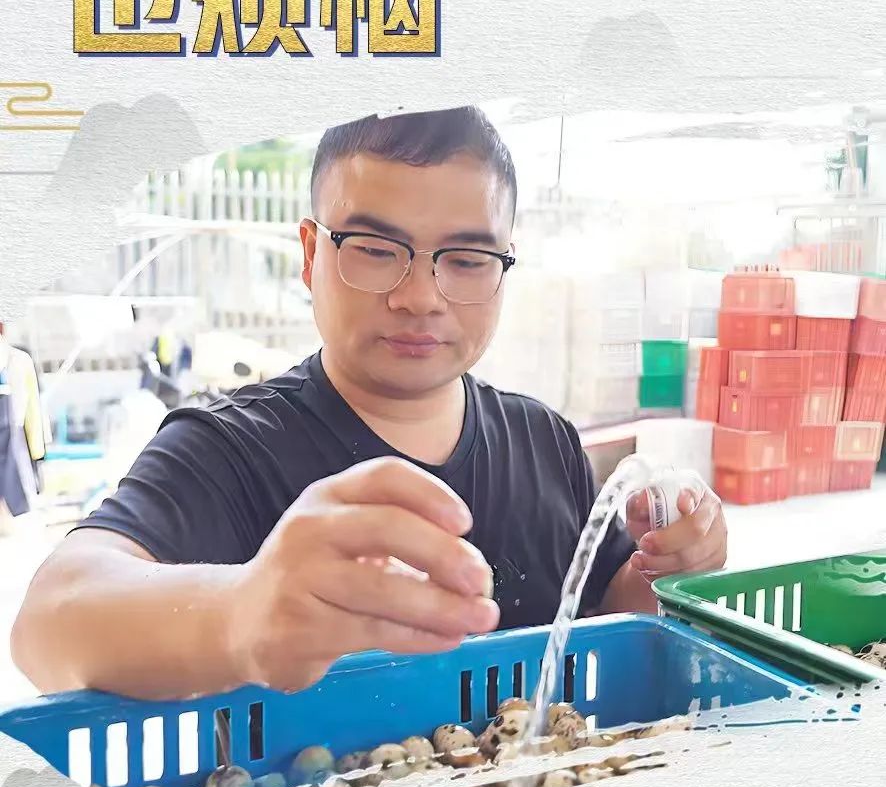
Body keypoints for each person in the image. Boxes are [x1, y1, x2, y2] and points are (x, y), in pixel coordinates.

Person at [11, 107, 727, 701]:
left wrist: (667, 565)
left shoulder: (546, 441)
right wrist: (239, 612)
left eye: (467, 259)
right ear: (310, 254)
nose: (420, 296)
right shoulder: (227, 450)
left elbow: (607, 614)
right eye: (377, 249)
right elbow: (44, 626)